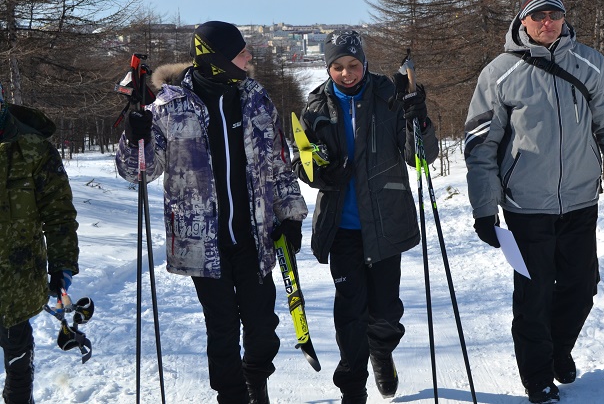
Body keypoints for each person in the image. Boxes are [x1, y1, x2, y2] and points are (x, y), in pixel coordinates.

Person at [463, 0, 604, 403]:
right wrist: (485, 209)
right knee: (534, 295)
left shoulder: (591, 64)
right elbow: (480, 147)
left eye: (554, 13)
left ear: (563, 17)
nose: (547, 21)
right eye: (538, 14)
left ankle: (560, 350)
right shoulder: (499, 74)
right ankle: (538, 377)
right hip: (526, 207)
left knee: (582, 288)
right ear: (523, 19)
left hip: (580, 200)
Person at [115, 21, 308, 404]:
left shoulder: (254, 98)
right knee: (222, 328)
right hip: (201, 243)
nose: (249, 57)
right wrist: (133, 135)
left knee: (262, 327)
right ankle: (232, 396)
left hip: (254, 236)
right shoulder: (169, 107)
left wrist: (289, 214)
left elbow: (278, 162)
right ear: (217, 60)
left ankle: (256, 378)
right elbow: (138, 170)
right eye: (241, 52)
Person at [291, 30, 438, 404]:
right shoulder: (315, 109)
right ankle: (353, 387)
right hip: (342, 227)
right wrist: (322, 175)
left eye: (353, 65)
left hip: (386, 222)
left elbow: (419, 157)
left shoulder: (390, 97)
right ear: (328, 68)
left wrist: (417, 117)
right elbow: (303, 163)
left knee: (386, 311)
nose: (346, 73)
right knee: (350, 310)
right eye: (337, 67)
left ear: (364, 63)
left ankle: (382, 351)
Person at [0, 80, 80, 404]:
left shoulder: (32, 147)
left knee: (17, 367)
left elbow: (59, 214)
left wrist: (62, 267)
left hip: (16, 284)